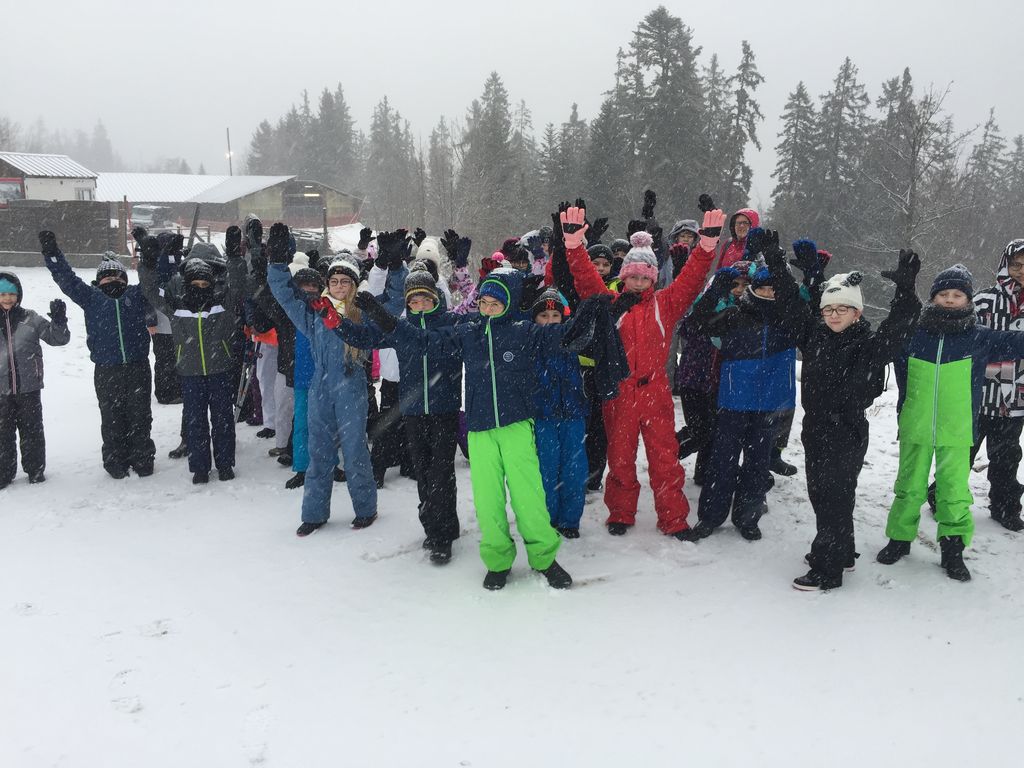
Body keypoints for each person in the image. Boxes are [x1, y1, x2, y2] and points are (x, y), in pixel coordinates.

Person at [348, 266, 618, 589]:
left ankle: (544, 557)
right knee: (488, 501)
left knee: (528, 497)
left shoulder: (524, 332)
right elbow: (423, 341)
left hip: (517, 426)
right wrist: (383, 316)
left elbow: (565, 335)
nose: (488, 309)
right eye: (484, 303)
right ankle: (498, 559)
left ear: (509, 303)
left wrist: (590, 308)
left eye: (496, 303)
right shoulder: (469, 332)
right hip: (480, 430)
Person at [562, 203, 719, 538]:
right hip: (619, 392)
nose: (637, 281)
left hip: (654, 391)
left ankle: (674, 518)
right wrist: (574, 247)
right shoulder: (609, 304)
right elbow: (586, 279)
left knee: (665, 458)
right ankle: (621, 511)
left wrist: (705, 248)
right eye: (632, 276)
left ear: (652, 278)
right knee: (620, 457)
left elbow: (690, 281)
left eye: (644, 277)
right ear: (624, 276)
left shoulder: (666, 303)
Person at [878, 264, 1024, 581]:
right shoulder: (913, 334)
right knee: (909, 488)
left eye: (957, 295)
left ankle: (953, 550)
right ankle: (899, 539)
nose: (949, 299)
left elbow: (1018, 343)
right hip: (916, 424)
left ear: (968, 300)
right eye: (943, 293)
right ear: (933, 298)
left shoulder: (979, 337)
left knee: (954, 492)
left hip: (958, 429)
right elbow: (886, 341)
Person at [787, 248, 921, 591]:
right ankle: (843, 551)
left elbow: (899, 326)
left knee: (833, 497)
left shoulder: (868, 345)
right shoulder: (815, 336)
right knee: (825, 495)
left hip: (845, 430)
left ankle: (827, 568)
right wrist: (807, 275)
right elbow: (794, 309)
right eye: (829, 309)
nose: (834, 315)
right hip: (815, 427)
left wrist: (906, 291)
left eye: (842, 309)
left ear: (857, 312)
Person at [326, 264, 464, 563]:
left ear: (436, 298)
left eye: (425, 299)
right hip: (413, 411)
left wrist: (383, 317)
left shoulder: (450, 323)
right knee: (424, 472)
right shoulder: (399, 326)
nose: (420, 305)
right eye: (413, 300)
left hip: (444, 410)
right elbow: (364, 337)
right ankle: (435, 526)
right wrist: (335, 321)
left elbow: (429, 343)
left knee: (441, 473)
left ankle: (443, 535)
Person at [682, 233, 799, 542]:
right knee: (722, 460)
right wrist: (715, 291)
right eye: (763, 287)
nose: (769, 293)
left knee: (757, 464)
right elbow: (694, 324)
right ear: (753, 289)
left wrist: (787, 267)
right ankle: (710, 517)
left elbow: (804, 304)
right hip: (733, 401)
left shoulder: (788, 321)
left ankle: (748, 516)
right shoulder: (735, 315)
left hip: (768, 404)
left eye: (774, 288)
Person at [266, 223, 377, 536]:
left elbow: (393, 304)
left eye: (345, 281)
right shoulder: (314, 314)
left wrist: (389, 268)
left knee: (354, 450)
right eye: (334, 280)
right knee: (319, 452)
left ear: (353, 285)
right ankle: (314, 513)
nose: (339, 286)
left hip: (351, 386)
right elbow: (285, 296)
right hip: (320, 387)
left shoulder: (362, 313)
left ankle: (365, 508)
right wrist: (277, 263)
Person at [40, 232, 156, 478]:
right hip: (106, 370)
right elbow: (66, 279)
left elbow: (153, 279)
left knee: (140, 416)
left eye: (118, 276)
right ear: (99, 281)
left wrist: (148, 257)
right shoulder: (91, 298)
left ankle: (142, 457)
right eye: (107, 276)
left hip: (137, 367)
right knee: (112, 418)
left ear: (125, 279)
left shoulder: (136, 296)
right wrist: (52, 253)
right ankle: (115, 460)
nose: (112, 279)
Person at [139, 230, 247, 484]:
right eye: (194, 281)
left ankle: (225, 464)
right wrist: (147, 265)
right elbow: (151, 290)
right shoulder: (176, 301)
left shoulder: (223, 299)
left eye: (206, 280)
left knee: (223, 421)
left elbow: (239, 283)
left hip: (220, 368)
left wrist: (234, 257)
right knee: (195, 421)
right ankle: (199, 467)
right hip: (190, 372)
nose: (200, 286)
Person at [957, 239, 1024, 532]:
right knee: (962, 452)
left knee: (1007, 458)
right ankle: (945, 496)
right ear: (1005, 265)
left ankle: (1005, 507)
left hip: (1016, 397)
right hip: (979, 393)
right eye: (1016, 264)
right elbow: (968, 340)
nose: (1021, 271)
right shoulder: (984, 300)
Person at [0, 270, 70, 488]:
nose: (7, 298)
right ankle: (3, 472)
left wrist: (59, 320)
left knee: (32, 431)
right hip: (1, 390)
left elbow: (58, 338)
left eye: (12, 294)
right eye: (2, 294)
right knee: (2, 434)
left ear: (18, 295)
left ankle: (35, 469)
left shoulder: (30, 318)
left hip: (29, 388)